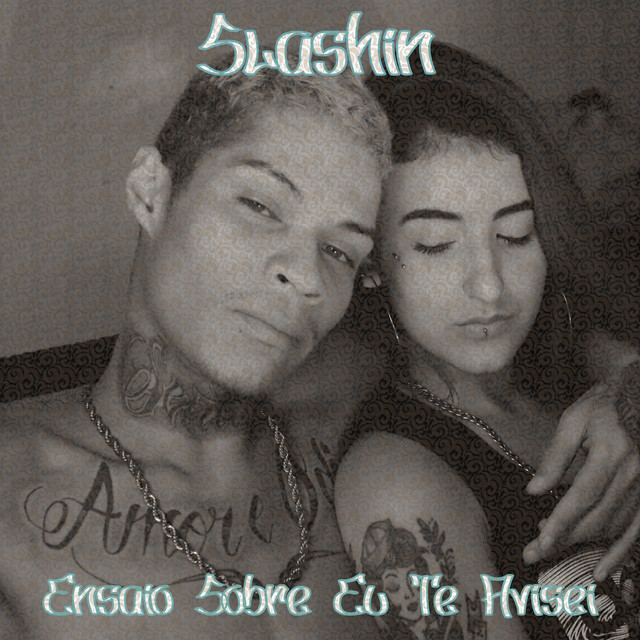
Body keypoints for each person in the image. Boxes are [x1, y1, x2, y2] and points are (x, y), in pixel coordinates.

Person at [0, 54, 392, 639]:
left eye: (340, 251)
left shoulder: (363, 415)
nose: (308, 276)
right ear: (150, 191)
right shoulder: (12, 491)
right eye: (260, 207)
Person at [335, 42, 640, 639]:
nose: (490, 286)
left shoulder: (586, 364)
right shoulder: (396, 479)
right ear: (370, 261)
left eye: (517, 234)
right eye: (435, 245)